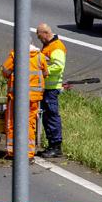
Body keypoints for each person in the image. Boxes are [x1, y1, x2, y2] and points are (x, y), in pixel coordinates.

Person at [1, 45, 48, 161]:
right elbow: (46, 73)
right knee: (30, 125)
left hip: (17, 97)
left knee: (12, 123)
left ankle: (12, 152)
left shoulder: (15, 55)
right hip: (33, 98)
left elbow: (5, 72)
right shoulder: (40, 57)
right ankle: (29, 154)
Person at [36, 23, 66, 158]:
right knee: (47, 117)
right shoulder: (48, 46)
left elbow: (58, 66)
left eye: (39, 36)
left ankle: (56, 146)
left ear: (45, 33)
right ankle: (51, 145)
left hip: (52, 89)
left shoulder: (56, 47)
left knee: (52, 117)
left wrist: (43, 71)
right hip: (46, 88)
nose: (39, 39)